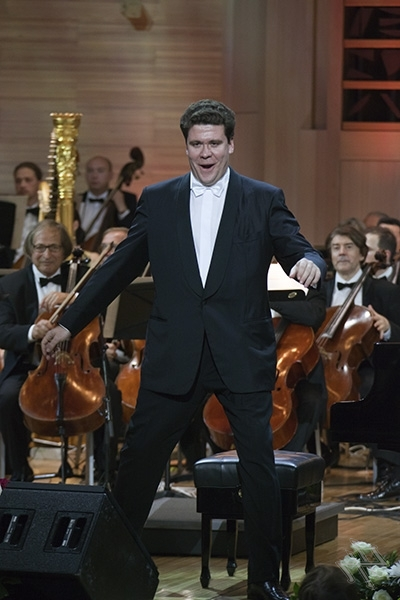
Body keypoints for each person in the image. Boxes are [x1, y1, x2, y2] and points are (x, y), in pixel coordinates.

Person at [41, 99, 326, 600]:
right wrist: (69, 322)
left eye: (214, 143)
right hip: (176, 355)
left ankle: (263, 582)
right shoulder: (159, 199)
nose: (206, 152)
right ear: (187, 146)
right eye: (197, 144)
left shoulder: (263, 198)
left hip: (241, 355)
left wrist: (310, 262)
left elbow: (297, 246)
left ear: (231, 144)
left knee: (258, 469)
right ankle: (111, 576)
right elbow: (119, 268)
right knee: (136, 467)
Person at [322, 224, 400, 497]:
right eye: (336, 248)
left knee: (379, 391)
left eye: (348, 247)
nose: (341, 253)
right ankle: (299, 466)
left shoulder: (384, 291)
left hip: (367, 367)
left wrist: (388, 327)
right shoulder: (319, 290)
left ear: (361, 253)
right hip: (322, 366)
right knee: (304, 394)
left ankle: (391, 473)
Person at [0, 219, 77, 481]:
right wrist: (33, 331)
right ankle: (20, 469)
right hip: (27, 366)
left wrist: (74, 298)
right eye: (40, 247)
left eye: (54, 247)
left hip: (74, 365)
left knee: (106, 395)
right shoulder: (10, 284)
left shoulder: (78, 277)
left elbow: (102, 305)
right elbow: (3, 331)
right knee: (7, 397)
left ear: (65, 250)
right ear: (30, 249)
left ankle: (103, 471)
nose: (46, 254)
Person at [76, 155, 139, 252]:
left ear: (110, 175)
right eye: (90, 171)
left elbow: (133, 232)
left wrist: (122, 208)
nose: (94, 176)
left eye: (100, 171)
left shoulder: (126, 198)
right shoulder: (77, 200)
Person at [11, 162, 43, 267]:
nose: (22, 185)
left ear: (39, 183)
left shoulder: (48, 213)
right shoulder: (7, 212)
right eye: (18, 181)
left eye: (28, 180)